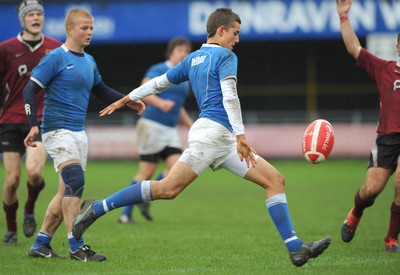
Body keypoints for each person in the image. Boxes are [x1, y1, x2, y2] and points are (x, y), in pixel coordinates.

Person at [72, 7, 331, 267]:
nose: (237, 40)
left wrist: (127, 98)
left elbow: (158, 82)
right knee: (168, 188)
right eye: (235, 33)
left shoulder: (193, 59)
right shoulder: (226, 56)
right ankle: (96, 208)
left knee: (275, 180)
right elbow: (230, 96)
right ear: (221, 31)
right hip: (213, 135)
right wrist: (242, 135)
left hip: (222, 139)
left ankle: (296, 248)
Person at [22, 8, 145, 261]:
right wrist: (33, 123)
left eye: (91, 28)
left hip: (78, 133)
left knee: (66, 191)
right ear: (70, 30)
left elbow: (100, 90)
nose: (89, 32)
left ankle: (40, 243)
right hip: (57, 131)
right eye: (84, 28)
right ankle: (77, 246)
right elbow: (29, 91)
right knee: (75, 182)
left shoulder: (89, 62)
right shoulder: (55, 58)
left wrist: (127, 101)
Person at [336, 0, 400, 253]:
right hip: (386, 137)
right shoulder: (385, 69)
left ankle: (391, 239)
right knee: (371, 190)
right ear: (397, 46)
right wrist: (343, 17)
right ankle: (356, 212)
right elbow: (354, 48)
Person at [0, 0, 62, 245]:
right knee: (12, 180)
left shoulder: (56, 48)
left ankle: (29, 209)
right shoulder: (6, 49)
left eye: (39, 14)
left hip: (40, 119)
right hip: (10, 120)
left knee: (35, 173)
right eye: (31, 14)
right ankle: (11, 228)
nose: (36, 18)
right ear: (23, 19)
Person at [119, 37, 193, 224]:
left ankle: (146, 196)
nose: (183, 54)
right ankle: (125, 214)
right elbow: (143, 89)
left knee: (177, 168)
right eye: (179, 50)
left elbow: (178, 108)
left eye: (186, 51)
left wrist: (192, 126)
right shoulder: (159, 69)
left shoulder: (184, 78)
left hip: (169, 130)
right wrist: (160, 103)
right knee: (146, 172)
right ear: (171, 52)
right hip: (151, 125)